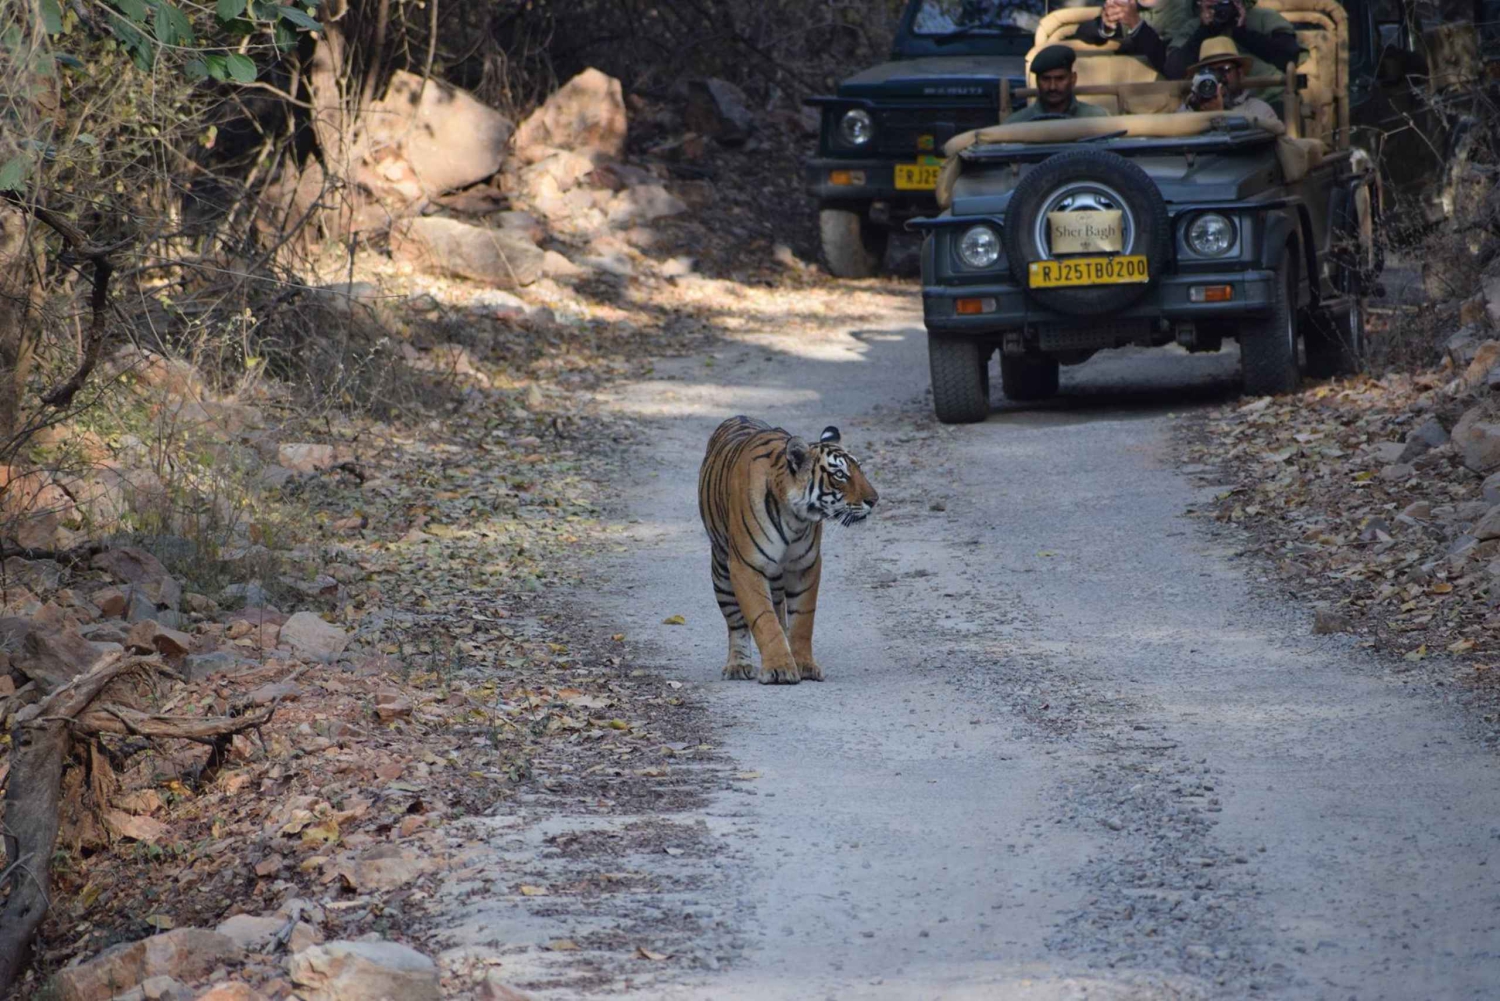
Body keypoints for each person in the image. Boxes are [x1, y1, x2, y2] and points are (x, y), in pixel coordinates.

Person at [1163, 0, 1301, 100]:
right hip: (1209, 104)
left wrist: (1241, 33)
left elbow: (1288, 56)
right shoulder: (1192, 28)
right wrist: (1204, 31)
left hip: (1268, 98)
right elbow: (1174, 71)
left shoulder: (1264, 17)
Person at [1178, 37, 1280, 120]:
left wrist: (1218, 115)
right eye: (1211, 72)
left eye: (1225, 69)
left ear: (1239, 73)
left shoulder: (1257, 110)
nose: (1218, 78)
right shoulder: (1190, 108)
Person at [1004, 45, 1112, 123]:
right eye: (1045, 79)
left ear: (1073, 79)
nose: (1052, 87)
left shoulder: (1097, 119)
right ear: (1037, 81)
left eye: (1060, 78)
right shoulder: (1016, 124)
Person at [1074, 0, 1180, 73]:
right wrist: (1108, 26)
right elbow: (1084, 32)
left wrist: (1136, 24)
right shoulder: (1131, 6)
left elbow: (1172, 65)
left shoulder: (1183, 9)